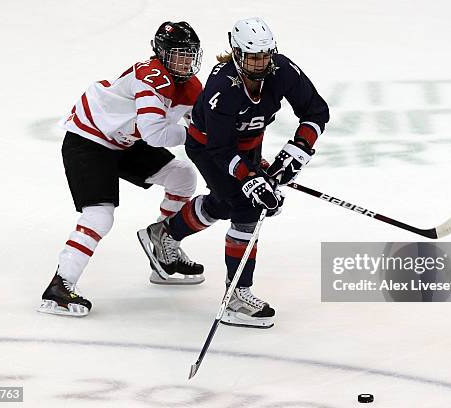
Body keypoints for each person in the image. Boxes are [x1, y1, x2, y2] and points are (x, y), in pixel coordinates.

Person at [140, 17, 329, 328]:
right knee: (246, 208)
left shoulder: (282, 70)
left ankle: (163, 234)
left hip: (249, 145)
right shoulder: (222, 89)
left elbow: (316, 112)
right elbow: (221, 149)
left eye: (265, 55)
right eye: (253, 57)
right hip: (209, 149)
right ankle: (237, 297)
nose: (260, 63)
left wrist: (297, 151)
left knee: (227, 202)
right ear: (238, 54)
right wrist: (250, 178)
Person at [38, 21, 205, 317]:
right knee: (99, 215)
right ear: (162, 54)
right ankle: (60, 286)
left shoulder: (190, 86)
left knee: (183, 176)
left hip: (123, 140)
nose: (186, 62)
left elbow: (205, 130)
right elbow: (155, 134)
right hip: (88, 140)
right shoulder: (150, 75)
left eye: (190, 54)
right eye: (178, 54)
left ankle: (162, 244)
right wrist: (195, 136)